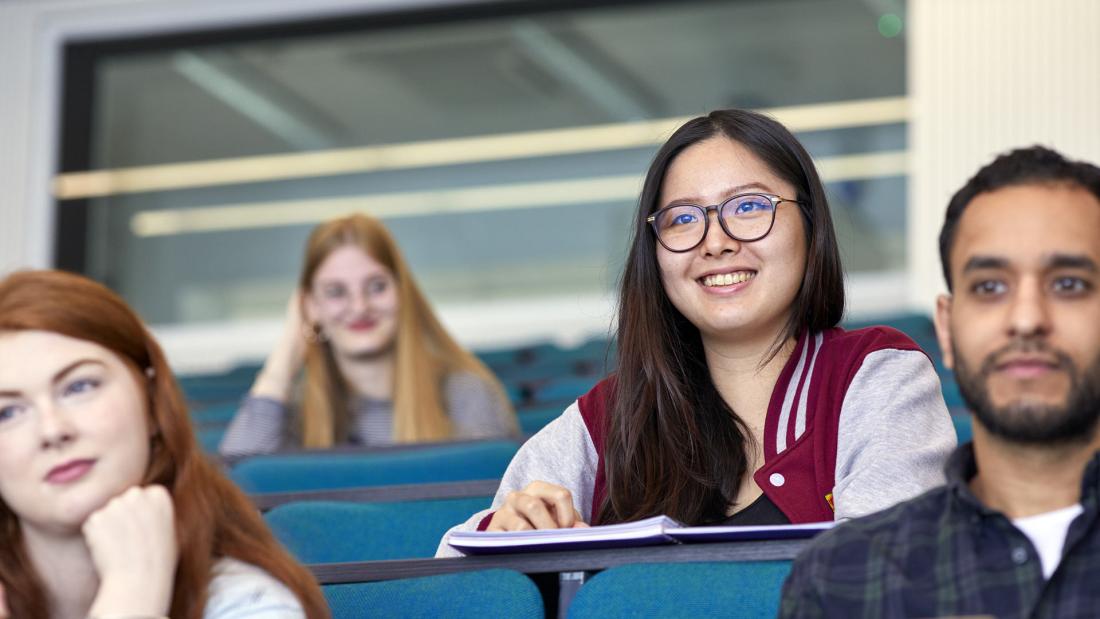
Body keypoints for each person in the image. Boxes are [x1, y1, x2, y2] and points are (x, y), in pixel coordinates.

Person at [436, 109, 955, 555]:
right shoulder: (607, 420)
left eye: (749, 206)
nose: (716, 242)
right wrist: (501, 533)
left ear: (812, 226)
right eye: (683, 218)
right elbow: (455, 572)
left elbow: (882, 582)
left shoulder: (877, 377)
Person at [779, 146, 1100, 617]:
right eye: (990, 287)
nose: (1027, 319)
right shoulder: (840, 578)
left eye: (1068, 284)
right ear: (947, 330)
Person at [0, 270, 328, 619]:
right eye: (7, 412)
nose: (52, 430)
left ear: (152, 400)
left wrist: (132, 598)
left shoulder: (250, 604)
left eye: (79, 387)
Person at [220, 213, 518, 457]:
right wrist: (284, 356)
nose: (360, 307)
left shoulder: (465, 392)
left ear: (402, 293)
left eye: (376, 287)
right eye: (336, 292)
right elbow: (234, 492)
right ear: (310, 305)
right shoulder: (294, 410)